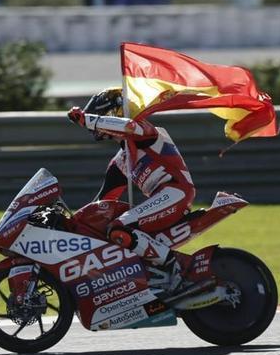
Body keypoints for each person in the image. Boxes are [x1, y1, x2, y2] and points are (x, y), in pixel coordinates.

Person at [67, 88, 194, 294]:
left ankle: (176, 268)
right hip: (161, 198)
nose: (96, 124)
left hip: (175, 192)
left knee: (120, 227)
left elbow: (128, 126)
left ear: (115, 112)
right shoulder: (121, 160)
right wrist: (74, 226)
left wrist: (88, 119)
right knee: (111, 232)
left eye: (102, 115)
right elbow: (103, 202)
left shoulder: (146, 130)